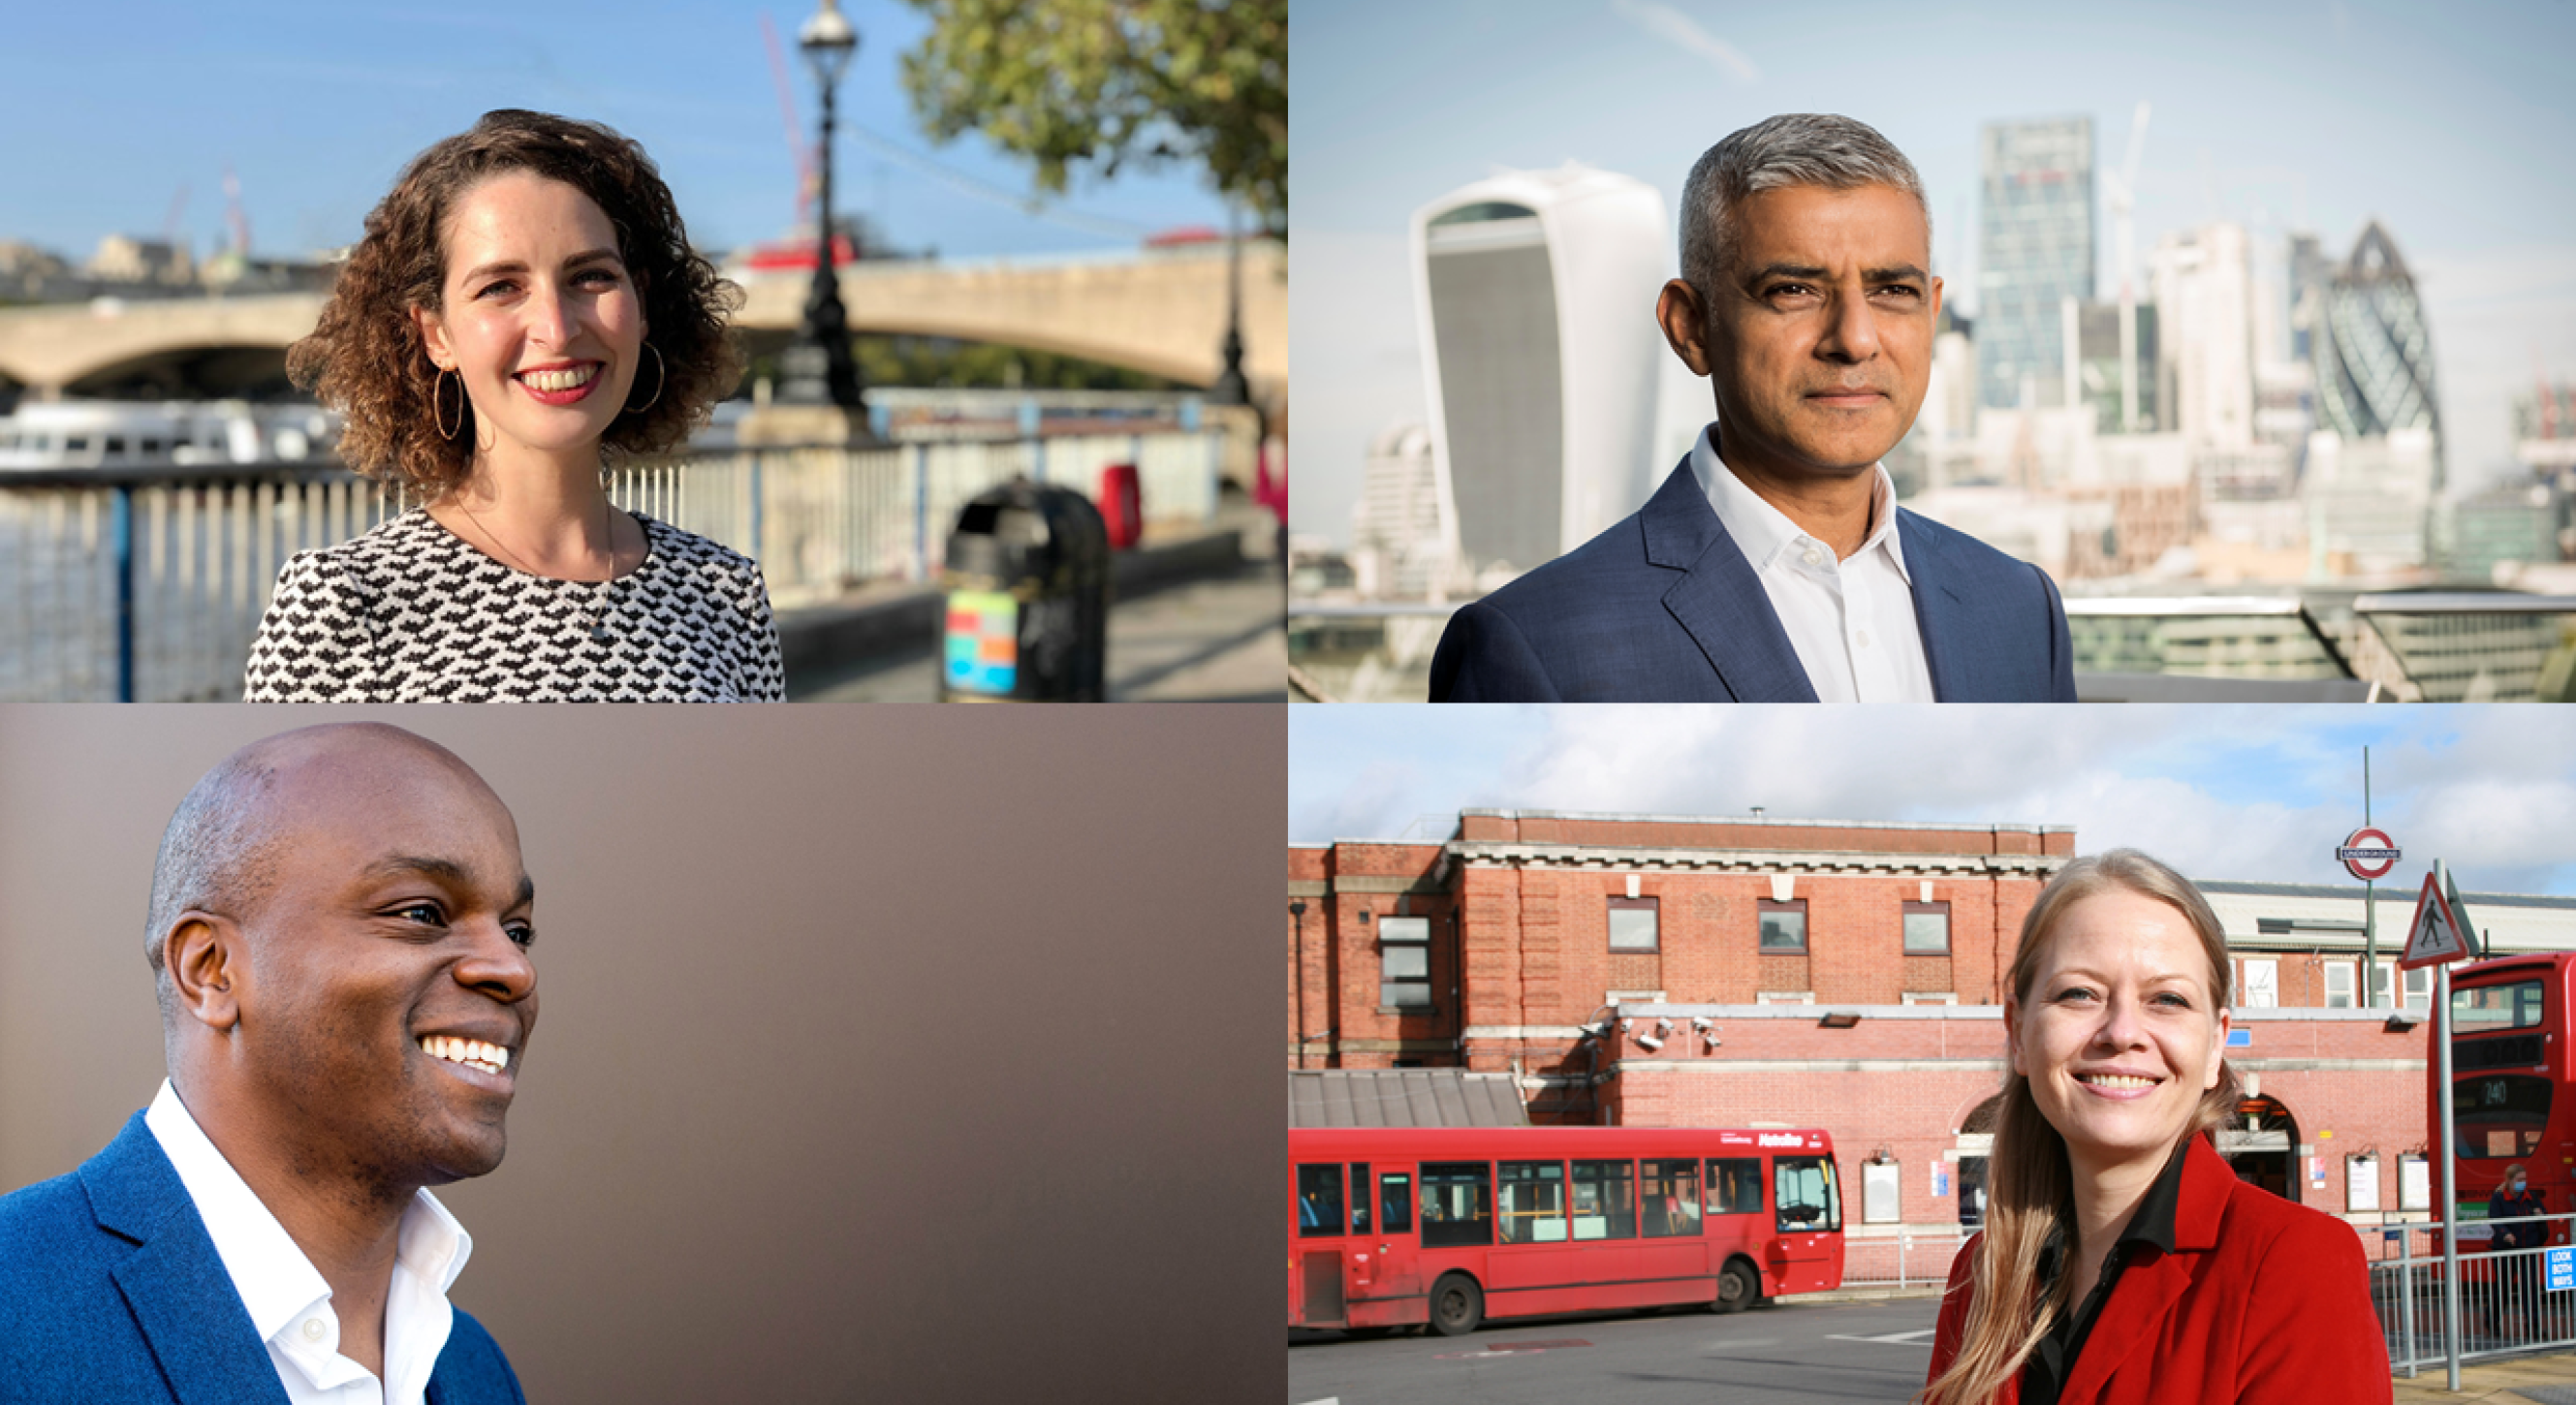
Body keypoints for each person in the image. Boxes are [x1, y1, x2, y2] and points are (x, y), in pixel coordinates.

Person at [1429, 113, 2076, 703]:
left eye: (1892, 290)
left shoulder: (2021, 610)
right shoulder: (1534, 646)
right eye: (1793, 289)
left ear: (1933, 314)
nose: (1854, 339)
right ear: (1691, 326)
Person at [0, 723, 537, 1402]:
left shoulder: (475, 1373)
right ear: (212, 971)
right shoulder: (14, 1305)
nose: (513, 968)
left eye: (518, 931)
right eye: (423, 913)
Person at [244, 109, 782, 702]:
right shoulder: (344, 605)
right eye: (501, 287)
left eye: (591, 277)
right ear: (435, 335)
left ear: (644, 304)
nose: (556, 327)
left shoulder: (728, 595)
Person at [1920, 850, 2387, 1405]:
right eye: (2079, 993)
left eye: (2167, 999)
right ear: (2018, 1030)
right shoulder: (1980, 1275)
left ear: (2216, 1044)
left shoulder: (2294, 1261)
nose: (2122, 1032)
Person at [2486, 1163, 2546, 1337]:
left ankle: (2533, 1325)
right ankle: (2493, 1321)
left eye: (2525, 1179)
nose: (2523, 1183)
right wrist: (2505, 1234)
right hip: (2505, 1249)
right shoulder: (2498, 1198)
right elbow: (2494, 1218)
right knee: (2503, 1287)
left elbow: (2543, 1213)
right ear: (2510, 1181)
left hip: (2528, 1248)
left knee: (2530, 1288)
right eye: (2519, 1180)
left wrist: (2540, 1214)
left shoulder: (2531, 1197)